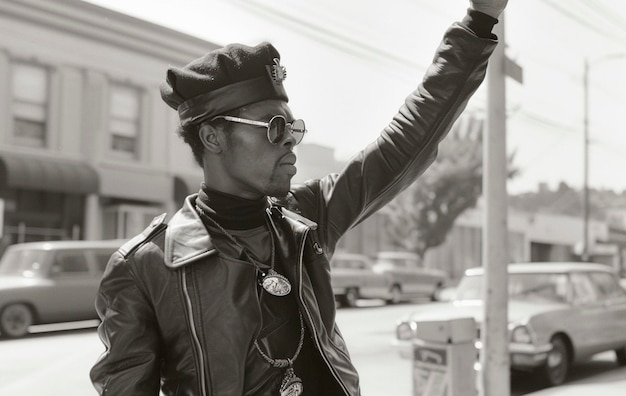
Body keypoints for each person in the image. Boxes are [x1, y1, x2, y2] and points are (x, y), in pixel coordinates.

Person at [90, 1, 508, 395]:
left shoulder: (305, 217)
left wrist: (479, 22)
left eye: (294, 129)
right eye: (274, 127)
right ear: (212, 136)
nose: (290, 142)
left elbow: (405, 142)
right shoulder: (145, 267)